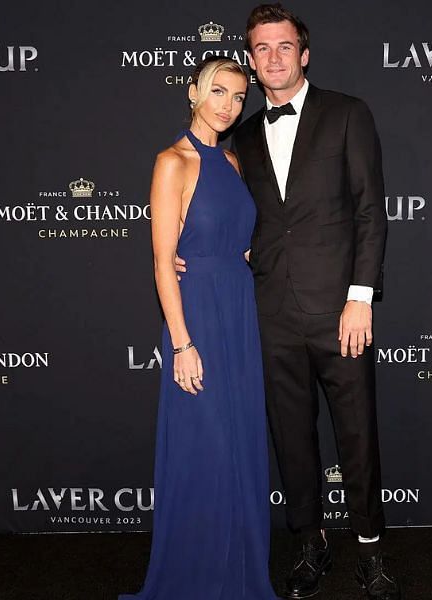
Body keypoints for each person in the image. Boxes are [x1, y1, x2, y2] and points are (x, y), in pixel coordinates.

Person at [213, 4, 397, 599]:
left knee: (357, 434)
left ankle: (371, 551)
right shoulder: (239, 135)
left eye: (283, 46)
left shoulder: (347, 114)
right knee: (291, 436)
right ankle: (310, 543)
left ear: (304, 52)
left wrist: (361, 297)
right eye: (261, 48)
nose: (273, 57)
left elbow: (371, 211)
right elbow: (230, 218)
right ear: (251, 58)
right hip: (268, 315)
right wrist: (196, 252)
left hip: (341, 312)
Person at [121, 57, 276, 600]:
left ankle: (239, 571)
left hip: (238, 308)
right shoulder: (173, 162)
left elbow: (237, 234)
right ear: (193, 92)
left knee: (239, 446)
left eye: (238, 96)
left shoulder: (232, 163)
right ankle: (198, 578)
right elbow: (164, 261)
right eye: (217, 92)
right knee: (206, 447)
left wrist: (243, 250)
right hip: (198, 319)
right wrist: (182, 343)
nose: (228, 105)